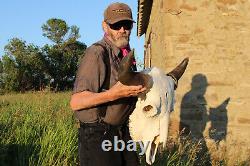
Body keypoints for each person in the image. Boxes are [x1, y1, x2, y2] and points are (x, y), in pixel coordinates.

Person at [70, 2, 146, 166]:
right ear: (105, 26)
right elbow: (76, 102)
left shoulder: (126, 55)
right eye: (116, 25)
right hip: (98, 136)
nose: (122, 30)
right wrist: (115, 93)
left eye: (126, 24)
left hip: (121, 132)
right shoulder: (97, 53)